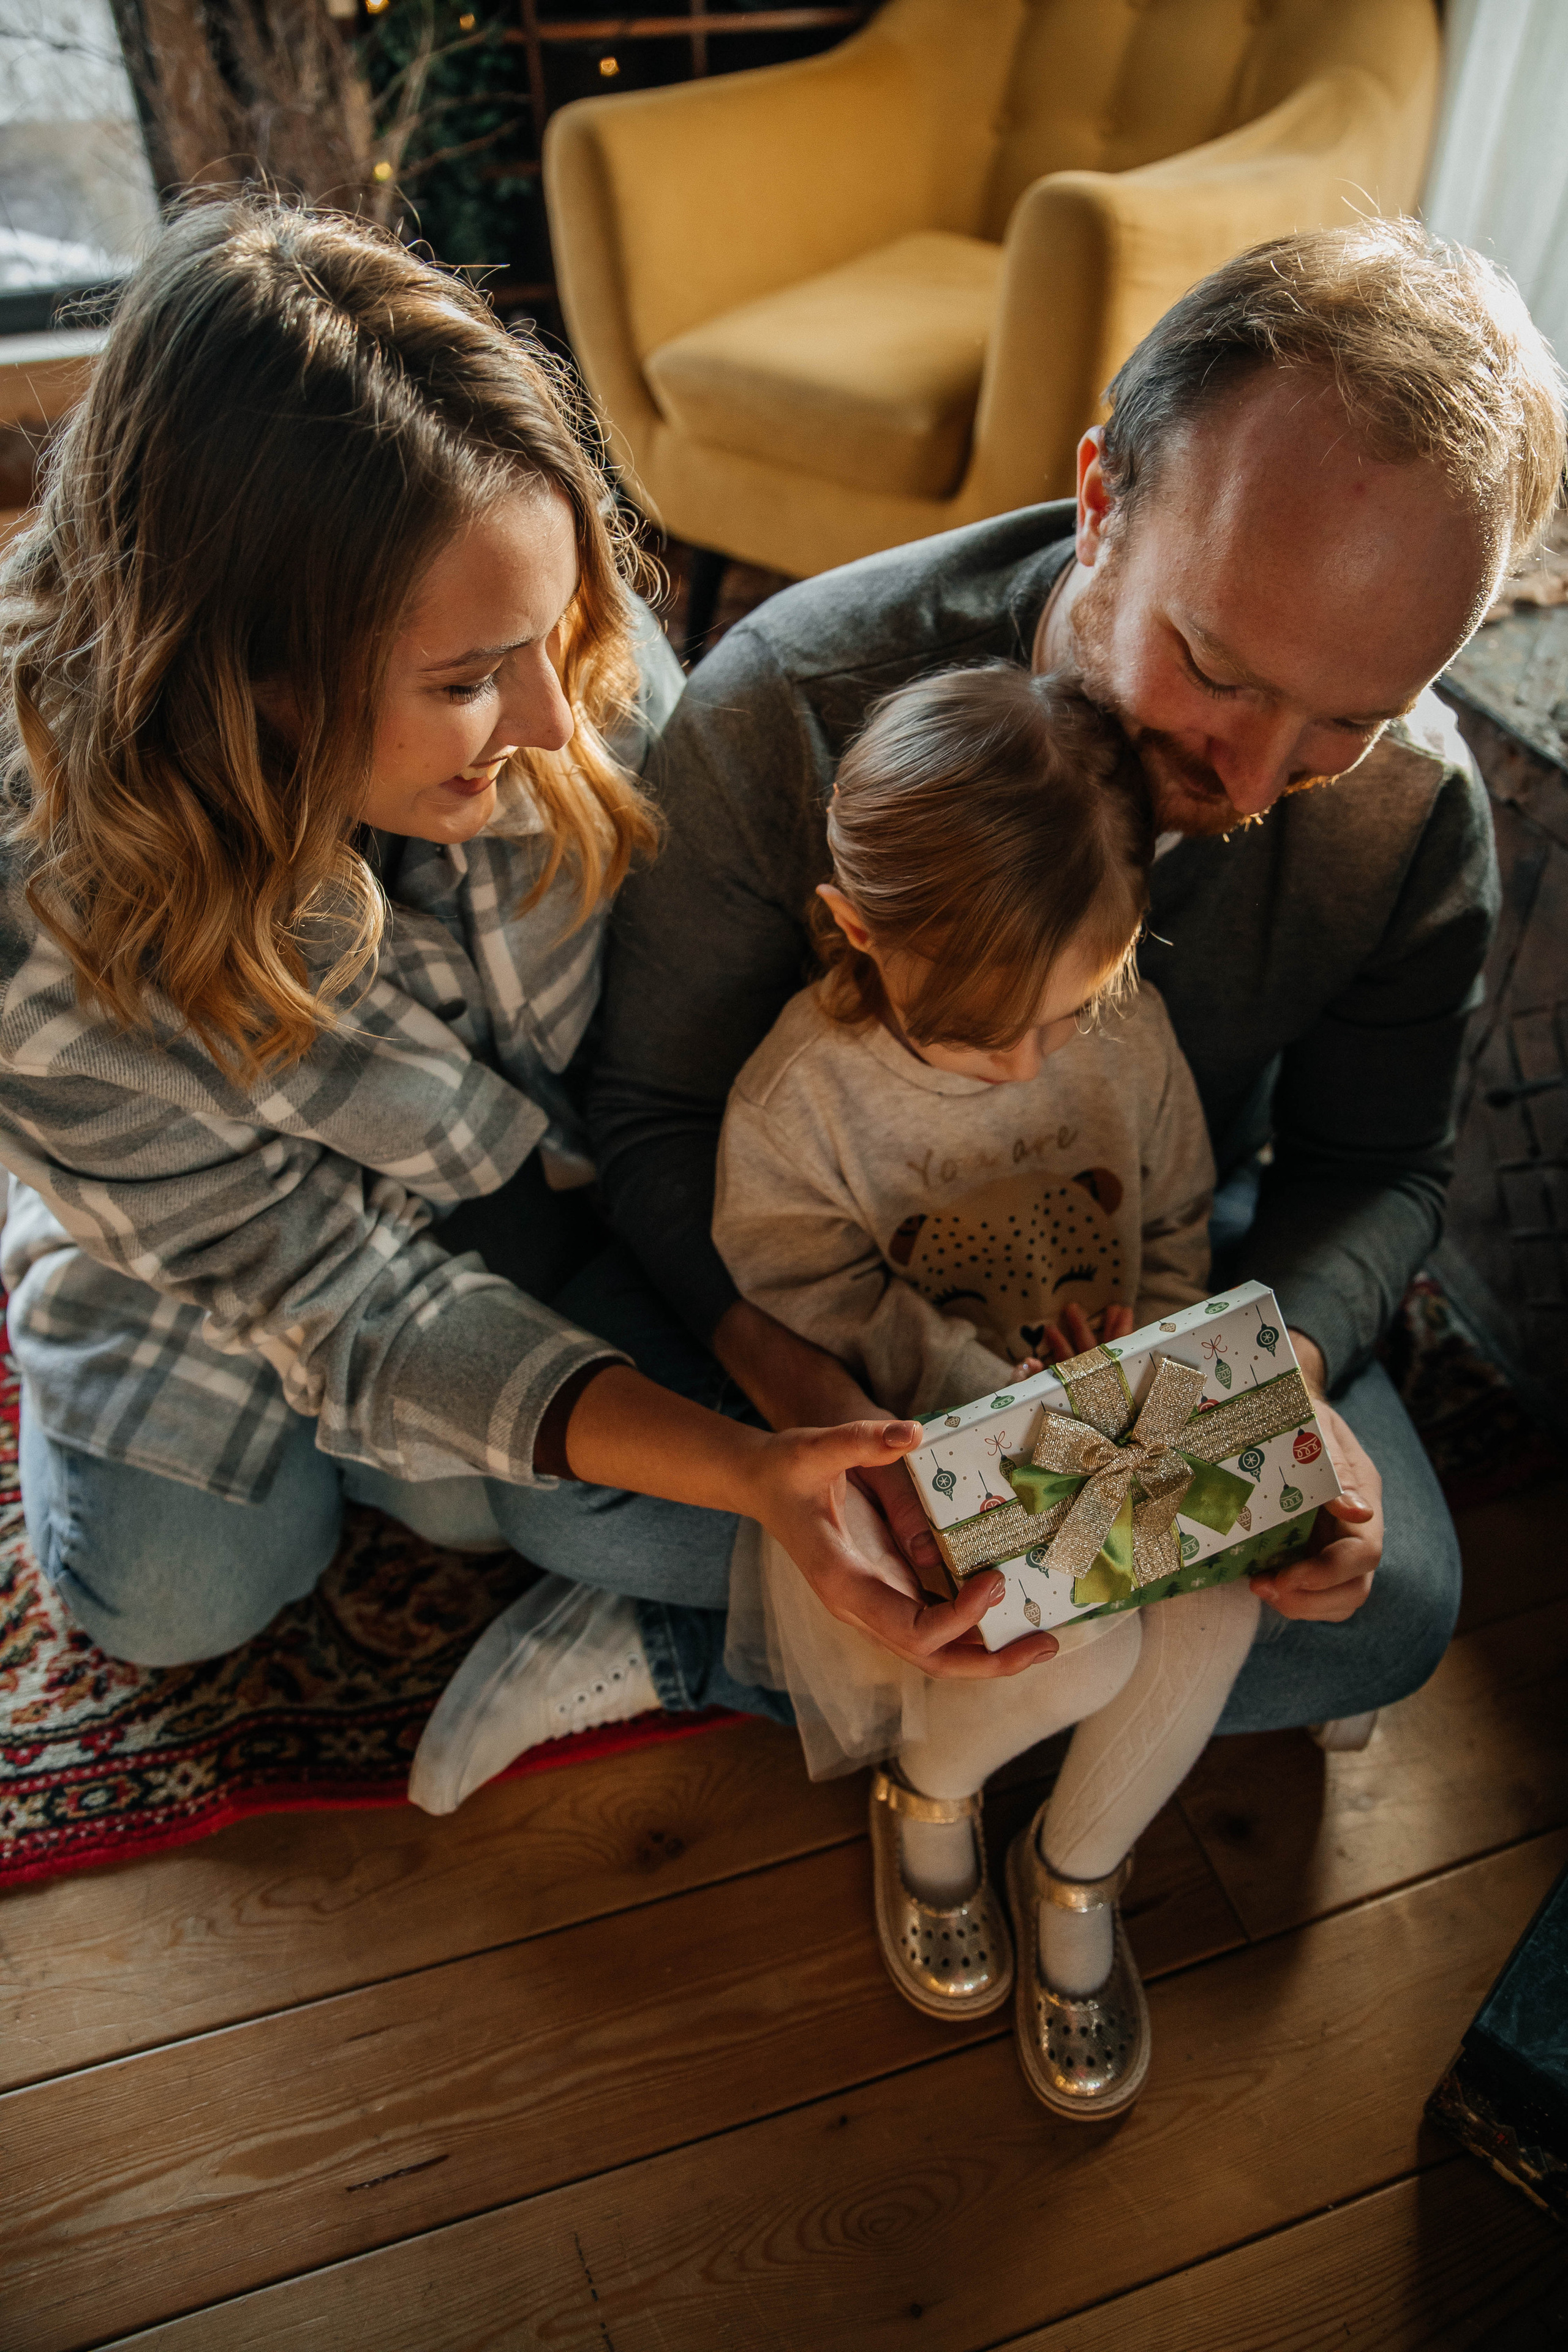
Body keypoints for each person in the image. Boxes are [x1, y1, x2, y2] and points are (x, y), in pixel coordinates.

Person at [0, 197, 960, 1772]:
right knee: (175, 1592)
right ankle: (64, 1210)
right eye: (460, 683)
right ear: (254, 680)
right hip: (214, 1195)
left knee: (464, 1487)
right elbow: (328, 1289)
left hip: (500, 1144)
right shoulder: (37, 917)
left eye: (561, 625)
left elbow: (685, 1037)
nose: (550, 713)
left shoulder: (541, 639)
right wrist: (733, 1465)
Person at [591, 221, 1568, 1743]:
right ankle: (740, 1648)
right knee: (555, 1506)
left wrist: (1270, 1386)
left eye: (1347, 720)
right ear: (1101, 498)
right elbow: (647, 1116)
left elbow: (1373, 1169)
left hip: (1152, 1261)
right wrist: (800, 1414)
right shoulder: (782, 712)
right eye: (1219, 667)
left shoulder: (1414, 816)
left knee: (1395, 1614)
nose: (1250, 777)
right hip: (823, 1280)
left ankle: (782, 1661)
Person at [713, 662, 1282, 2117]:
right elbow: (799, 1307)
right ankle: (934, 1799)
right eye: (984, 1036)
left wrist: (1142, 1341)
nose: (1037, 1059)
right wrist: (978, 1380)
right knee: (1072, 1647)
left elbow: (1172, 1221)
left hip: (1106, 1414)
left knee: (1223, 1590)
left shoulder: (1123, 1028)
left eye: (1073, 1006)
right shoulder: (802, 1102)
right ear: (857, 932)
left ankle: (1076, 1869)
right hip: (908, 1475)